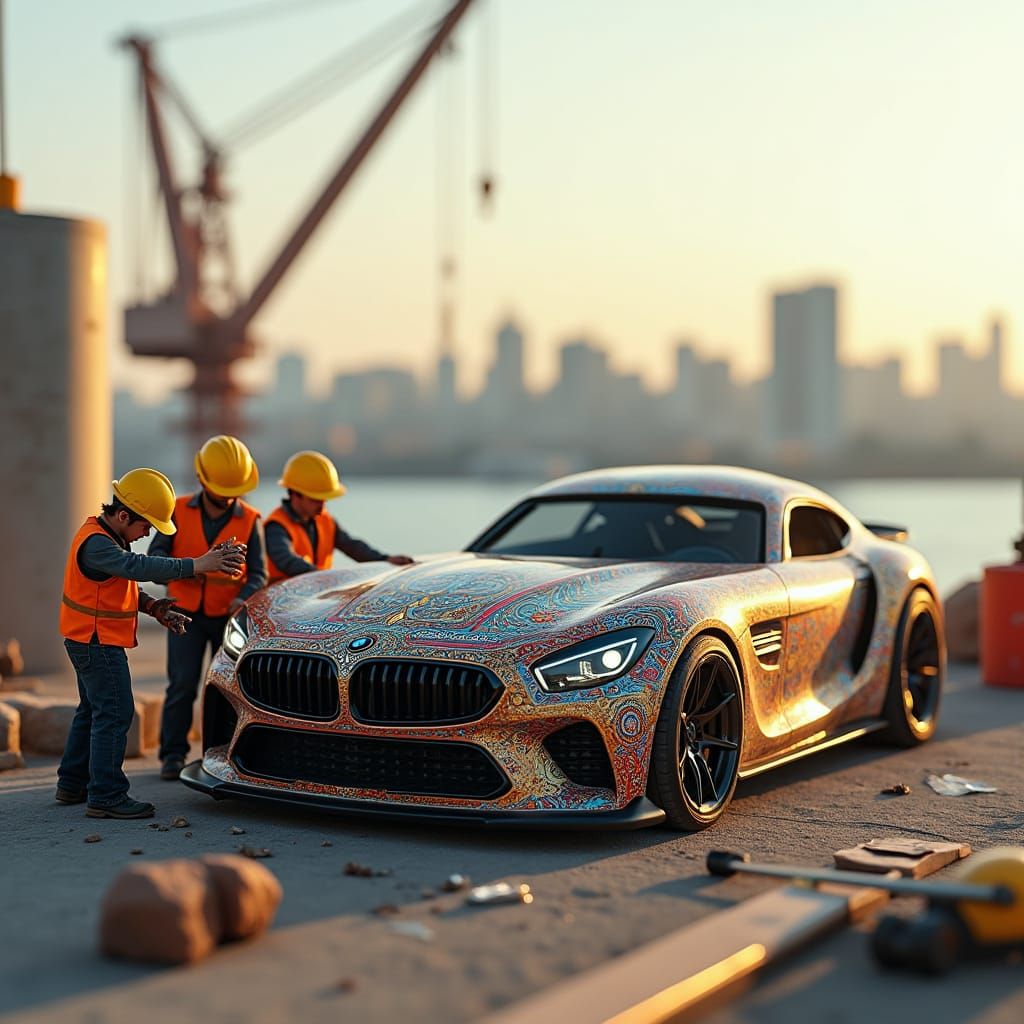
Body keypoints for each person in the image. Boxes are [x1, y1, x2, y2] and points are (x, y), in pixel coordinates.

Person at [58, 468, 245, 819]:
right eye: (146, 526)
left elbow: (120, 583)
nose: (147, 534)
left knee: (92, 711)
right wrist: (198, 564)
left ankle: (72, 783)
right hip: (96, 642)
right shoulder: (98, 543)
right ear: (124, 515)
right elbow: (135, 567)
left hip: (86, 638)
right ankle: (106, 795)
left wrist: (154, 607)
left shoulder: (105, 536)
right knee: (115, 712)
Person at [148, 435, 267, 782]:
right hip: (184, 614)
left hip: (227, 617)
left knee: (228, 690)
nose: (228, 494)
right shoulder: (178, 510)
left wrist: (242, 597)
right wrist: (194, 565)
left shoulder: (251, 520)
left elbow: (258, 572)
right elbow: (155, 559)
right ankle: (172, 755)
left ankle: (224, 755)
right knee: (182, 684)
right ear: (201, 478)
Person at [265, 450, 413, 582]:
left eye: (324, 499)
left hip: (315, 595)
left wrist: (385, 559)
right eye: (315, 499)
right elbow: (287, 561)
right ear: (295, 494)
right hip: (282, 602)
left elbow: (352, 546)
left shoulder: (324, 520)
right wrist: (325, 577)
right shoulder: (276, 527)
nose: (322, 506)